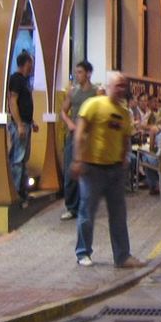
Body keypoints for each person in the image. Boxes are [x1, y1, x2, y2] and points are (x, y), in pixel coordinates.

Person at [70, 71, 143, 269]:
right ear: (108, 85)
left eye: (123, 86)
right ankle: (83, 252)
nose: (121, 89)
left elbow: (126, 138)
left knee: (118, 215)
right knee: (87, 213)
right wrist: (78, 159)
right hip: (93, 169)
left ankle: (122, 256)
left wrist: (123, 160)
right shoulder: (93, 105)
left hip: (115, 171)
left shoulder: (123, 112)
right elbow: (80, 132)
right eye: (118, 85)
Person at [59, 60, 97, 220]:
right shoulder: (72, 92)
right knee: (70, 172)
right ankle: (71, 207)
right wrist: (70, 123)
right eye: (76, 72)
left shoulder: (96, 93)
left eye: (80, 72)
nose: (77, 75)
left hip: (90, 137)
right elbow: (63, 111)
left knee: (88, 172)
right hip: (74, 137)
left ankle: (86, 205)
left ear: (88, 73)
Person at [7, 50, 37, 200]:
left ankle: (22, 189)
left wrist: (31, 122)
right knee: (18, 159)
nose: (31, 68)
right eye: (30, 64)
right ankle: (16, 191)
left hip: (26, 123)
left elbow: (24, 104)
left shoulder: (24, 81)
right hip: (20, 124)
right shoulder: (16, 80)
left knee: (23, 158)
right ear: (25, 64)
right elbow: (13, 102)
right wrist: (19, 124)